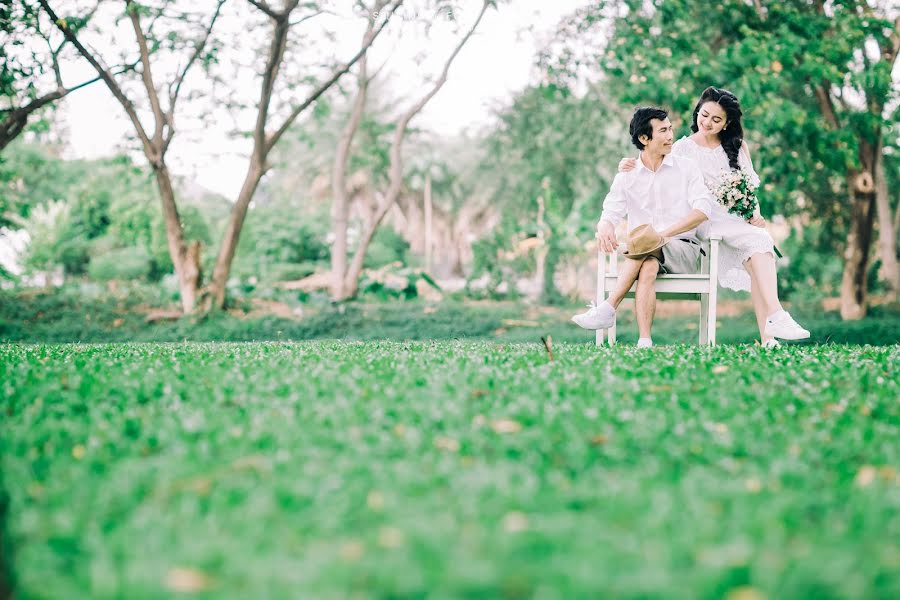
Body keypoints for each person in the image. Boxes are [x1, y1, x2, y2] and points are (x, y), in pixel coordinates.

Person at [617, 87, 809, 346]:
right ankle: (776, 316)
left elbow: (747, 186)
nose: (707, 123)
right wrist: (626, 165)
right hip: (706, 221)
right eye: (704, 115)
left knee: (760, 246)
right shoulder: (681, 148)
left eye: (716, 120)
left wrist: (756, 215)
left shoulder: (737, 147)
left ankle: (771, 331)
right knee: (756, 242)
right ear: (698, 111)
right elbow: (652, 160)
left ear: (727, 123)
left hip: (737, 219)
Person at [571, 106, 712, 348]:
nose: (670, 136)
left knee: (645, 244)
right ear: (644, 138)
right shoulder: (627, 175)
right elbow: (611, 211)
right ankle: (644, 340)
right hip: (646, 254)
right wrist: (604, 226)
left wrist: (660, 236)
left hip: (683, 251)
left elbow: (703, 211)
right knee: (647, 265)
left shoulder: (686, 168)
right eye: (663, 131)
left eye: (670, 129)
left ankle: (608, 307)